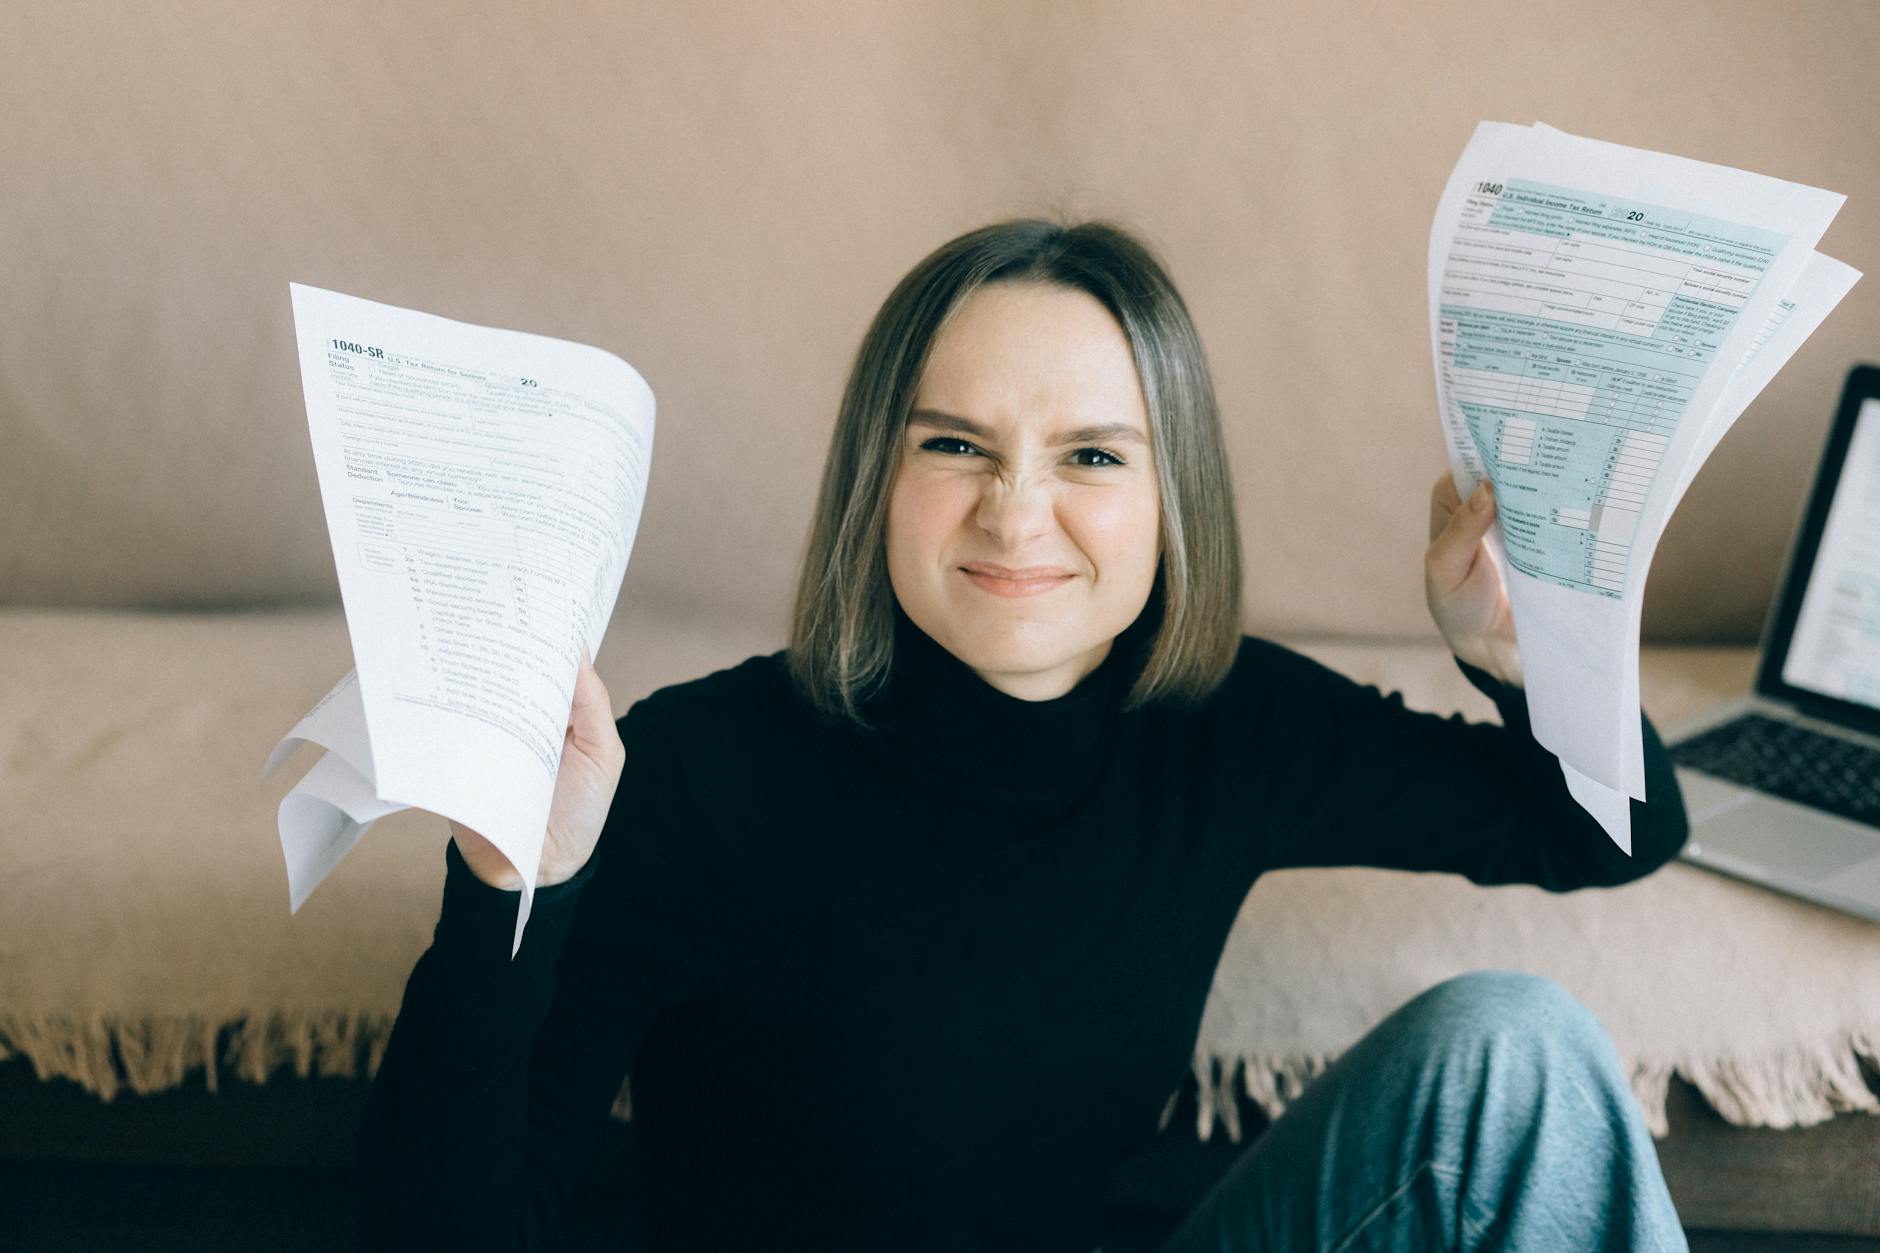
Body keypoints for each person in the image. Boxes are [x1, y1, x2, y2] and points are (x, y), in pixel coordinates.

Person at [356, 219, 1692, 1252]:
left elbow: (1615, 827)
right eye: (957, 445)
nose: (1016, 511)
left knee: (1517, 1045)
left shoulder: (1222, 724)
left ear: (1174, 497)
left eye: (1093, 457)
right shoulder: (697, 775)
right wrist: (504, 889)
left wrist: (1517, 657)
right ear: (880, 474)